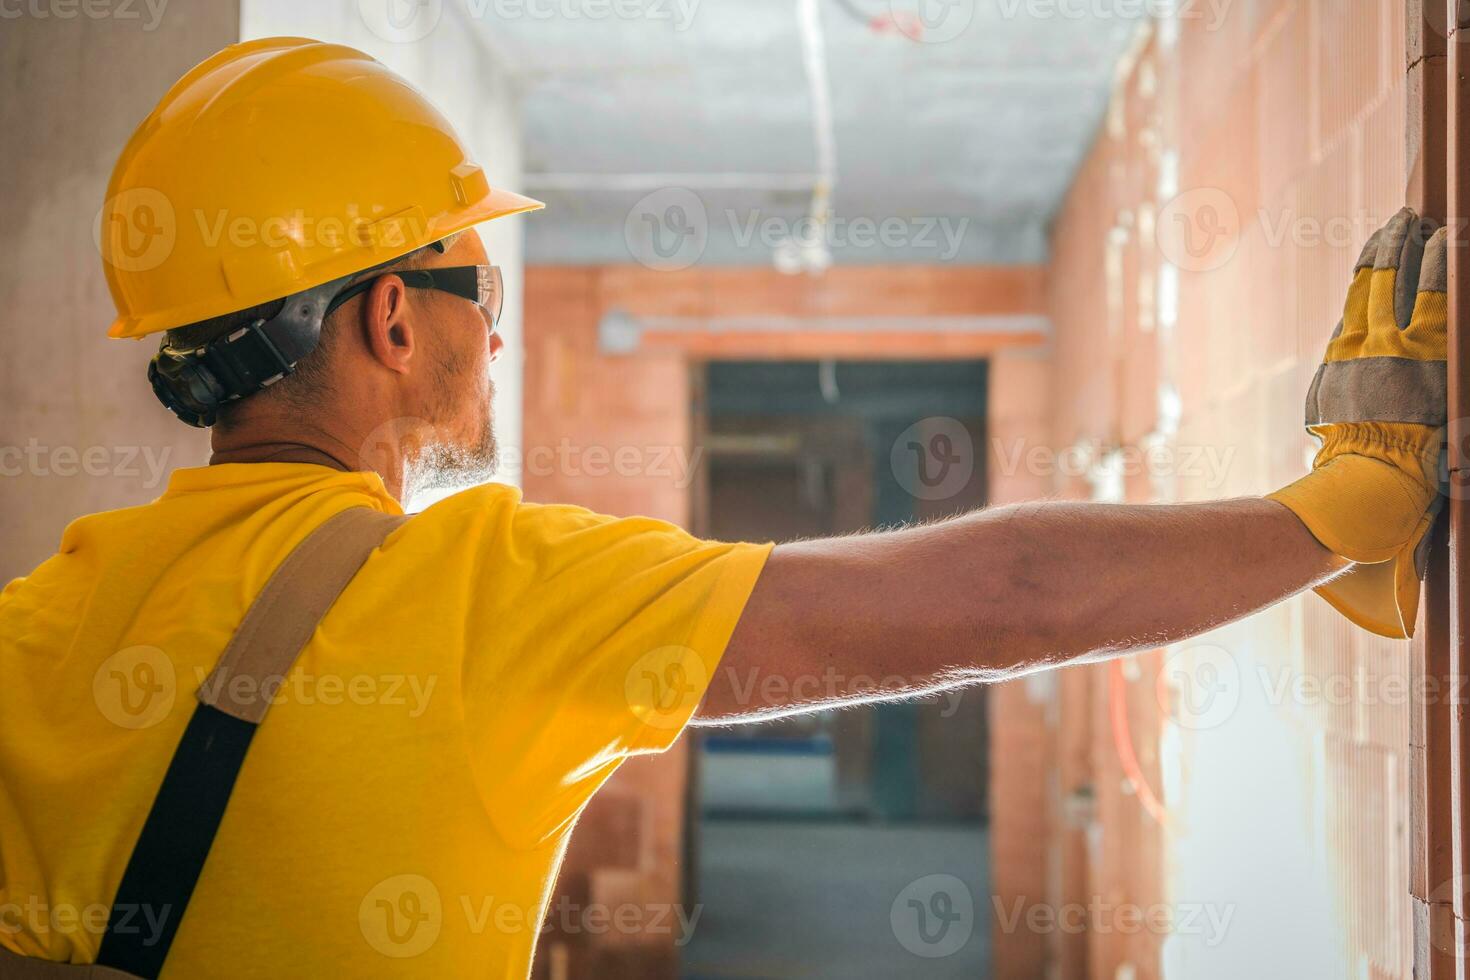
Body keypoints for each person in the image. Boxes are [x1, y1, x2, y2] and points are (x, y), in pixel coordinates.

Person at [0, 37, 1445, 979]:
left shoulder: (32, 621)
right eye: (478, 292)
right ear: (392, 317)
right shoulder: (481, 586)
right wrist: (1346, 505)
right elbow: (994, 603)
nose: (495, 334)